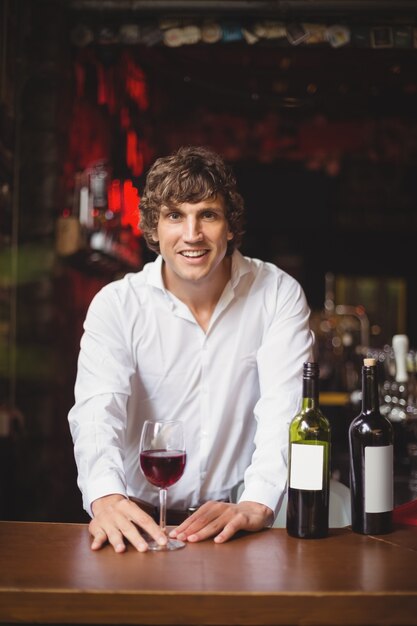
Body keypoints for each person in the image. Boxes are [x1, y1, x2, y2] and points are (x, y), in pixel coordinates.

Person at [68, 145, 313, 553]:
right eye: (175, 215)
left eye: (208, 215)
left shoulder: (277, 294)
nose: (192, 234)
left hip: (234, 527)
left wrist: (259, 502)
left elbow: (285, 408)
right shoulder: (117, 305)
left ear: (230, 226)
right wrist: (105, 495)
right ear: (153, 229)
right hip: (135, 525)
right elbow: (98, 410)